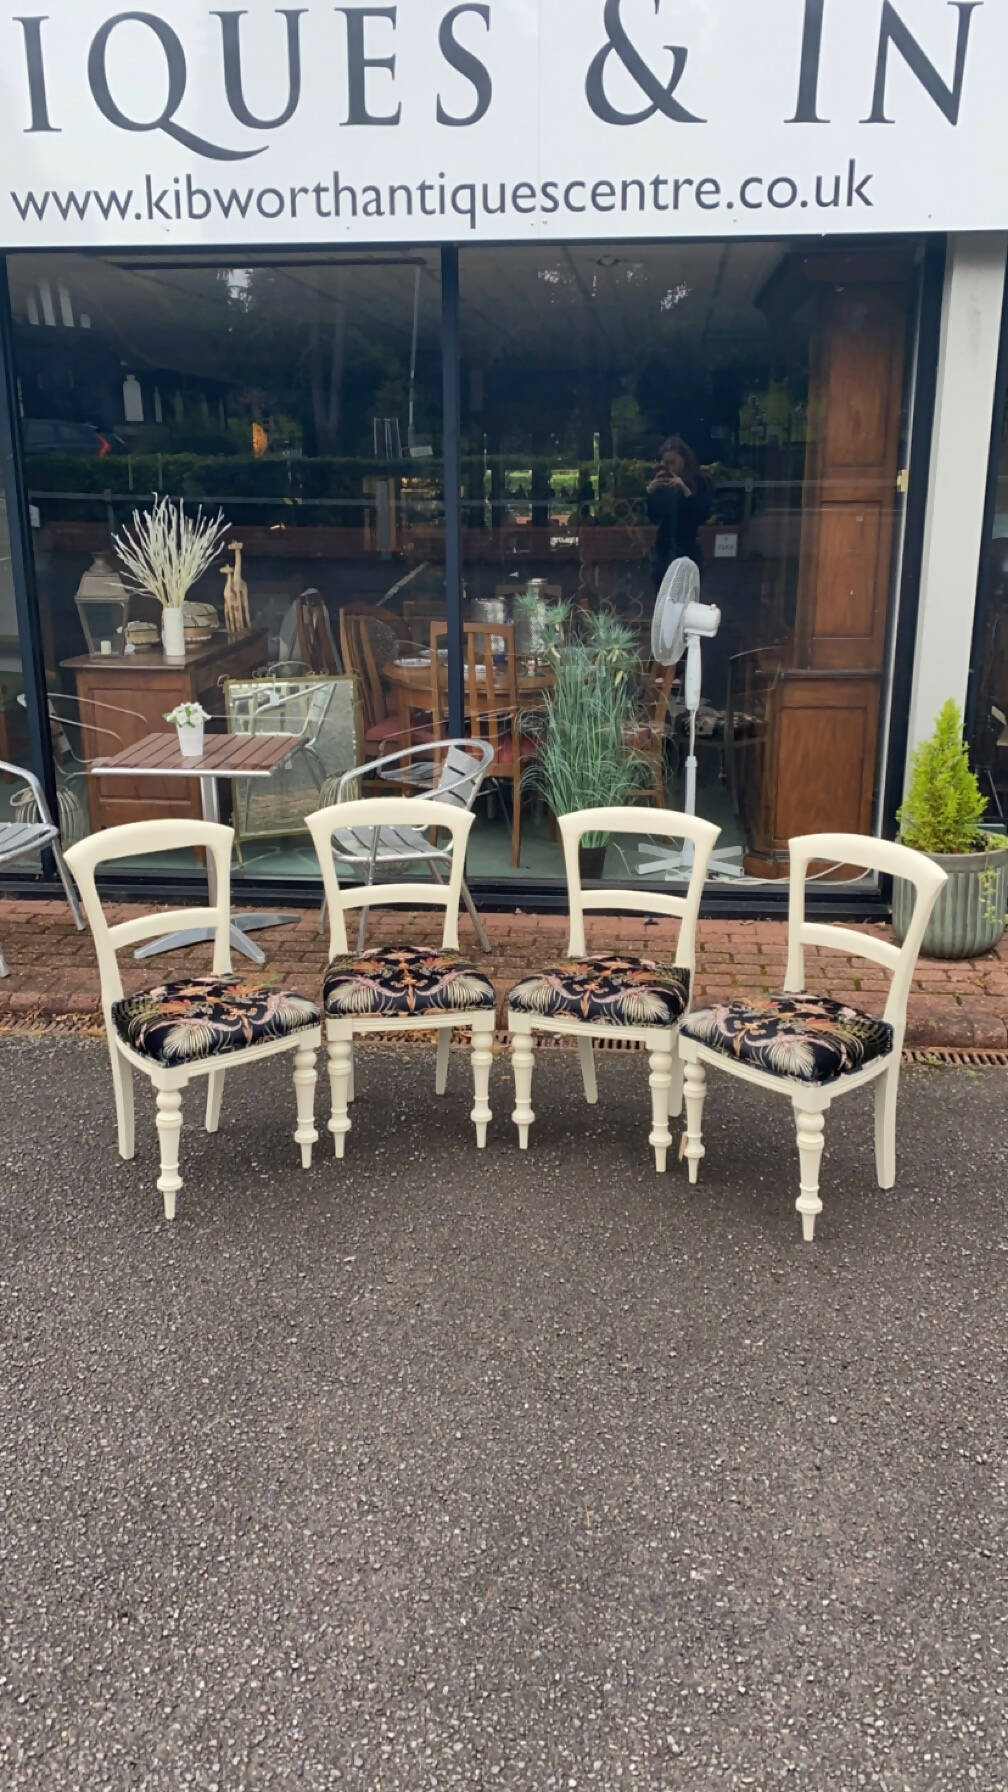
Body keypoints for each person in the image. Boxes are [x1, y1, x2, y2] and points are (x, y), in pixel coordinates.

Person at [646, 435, 711, 592]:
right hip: (664, 548)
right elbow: (654, 517)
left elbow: (701, 515)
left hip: (687, 547)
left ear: (684, 460)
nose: (670, 468)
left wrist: (685, 490)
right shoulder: (664, 482)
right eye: (665, 463)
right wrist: (651, 493)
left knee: (686, 597)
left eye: (672, 463)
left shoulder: (700, 481)